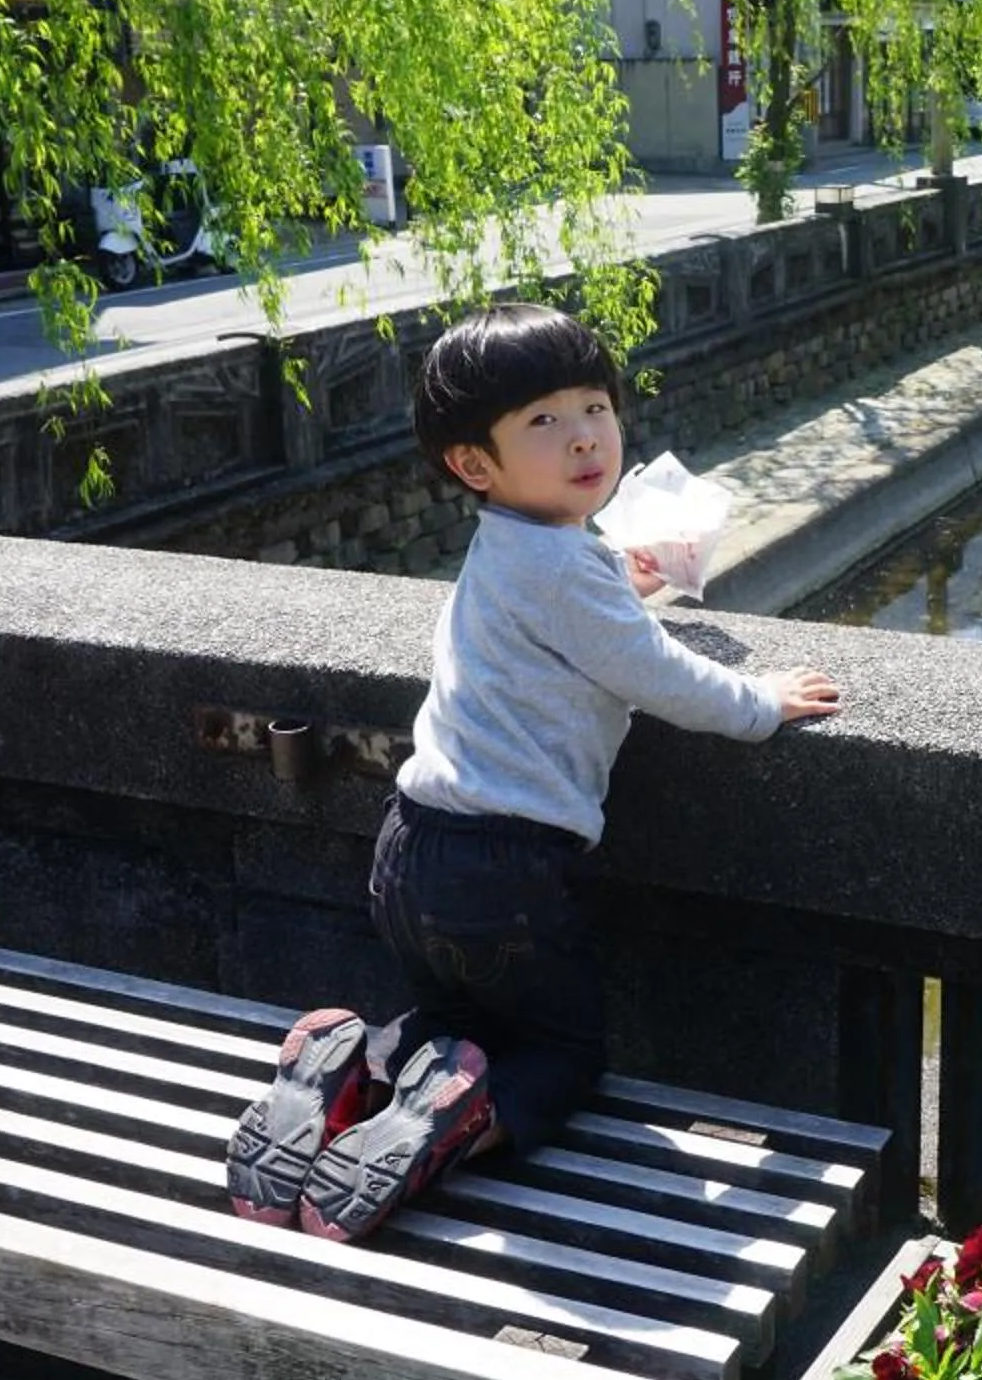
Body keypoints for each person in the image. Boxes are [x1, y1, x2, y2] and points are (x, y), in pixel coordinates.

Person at [226, 303, 843, 1242]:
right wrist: (761, 703)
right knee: (559, 1046)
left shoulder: (509, 545)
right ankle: (458, 1129)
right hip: (504, 872)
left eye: (593, 406)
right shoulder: (566, 570)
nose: (585, 436)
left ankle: (355, 1064)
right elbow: (658, 675)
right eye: (544, 422)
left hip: (410, 849)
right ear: (475, 464)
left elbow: (564, 610)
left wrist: (621, 582)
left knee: (458, 1020)